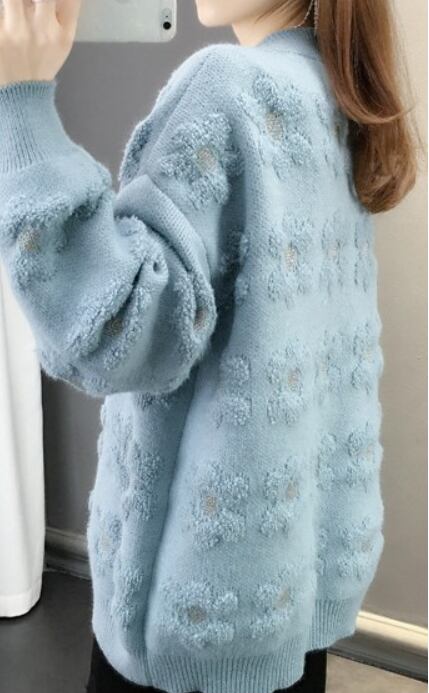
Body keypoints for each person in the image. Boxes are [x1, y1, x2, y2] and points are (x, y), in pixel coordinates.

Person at [0, 0, 419, 692]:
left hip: (189, 633)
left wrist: (20, 103)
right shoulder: (332, 92)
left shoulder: (228, 88)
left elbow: (109, 331)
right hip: (286, 598)